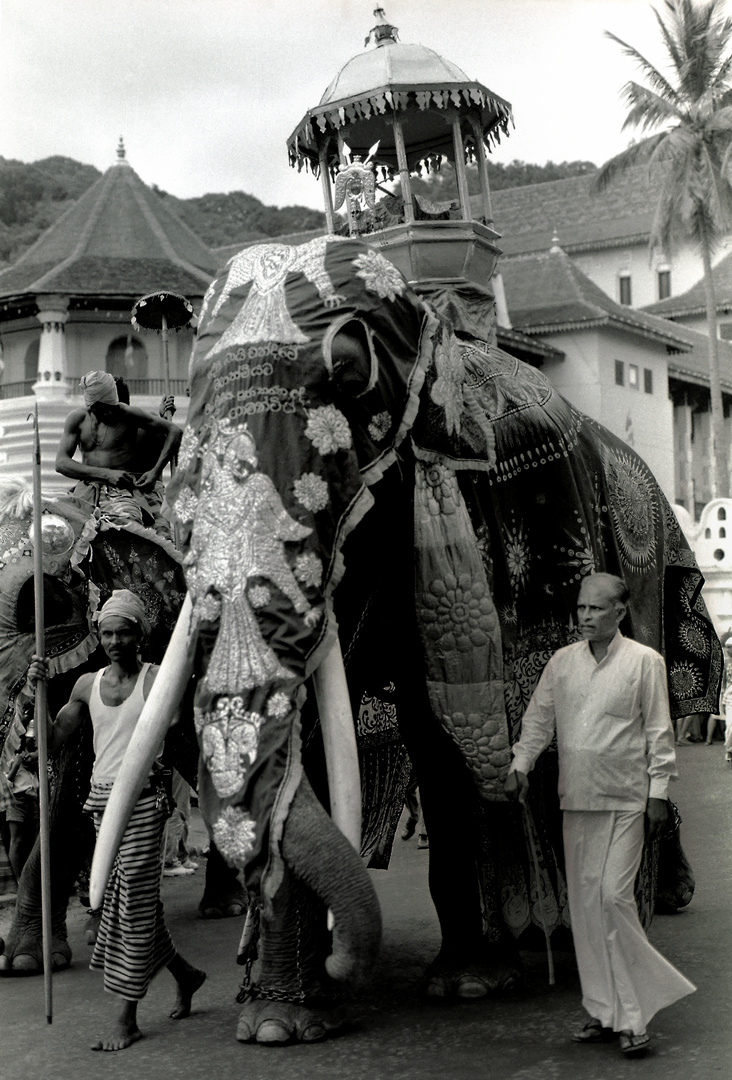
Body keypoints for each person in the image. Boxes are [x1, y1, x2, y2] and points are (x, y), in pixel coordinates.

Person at [505, 572, 696, 1056]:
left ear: (620, 611)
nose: (585, 616)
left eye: (596, 608)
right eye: (581, 608)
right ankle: (601, 1009)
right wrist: (521, 765)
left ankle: (632, 1017)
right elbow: (538, 721)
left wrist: (658, 794)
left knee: (613, 899)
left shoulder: (643, 663)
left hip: (629, 801)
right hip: (577, 800)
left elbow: (658, 732)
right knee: (588, 912)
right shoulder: (562, 663)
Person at [27, 589, 205, 1051]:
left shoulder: (158, 680)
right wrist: (40, 689)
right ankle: (186, 976)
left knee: (131, 909)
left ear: (140, 634)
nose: (114, 640)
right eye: (106, 632)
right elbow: (53, 736)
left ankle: (126, 1018)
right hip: (101, 807)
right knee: (136, 904)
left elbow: (173, 721)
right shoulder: (86, 685)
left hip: (145, 803)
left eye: (123, 631)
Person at [55, 370, 181, 535]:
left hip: (128, 494)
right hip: (88, 492)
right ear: (91, 404)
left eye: (114, 407)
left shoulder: (131, 416)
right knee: (62, 533)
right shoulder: (78, 419)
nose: (110, 413)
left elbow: (173, 434)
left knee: (148, 536)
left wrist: (154, 472)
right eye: (104, 409)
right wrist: (106, 474)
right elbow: (61, 463)